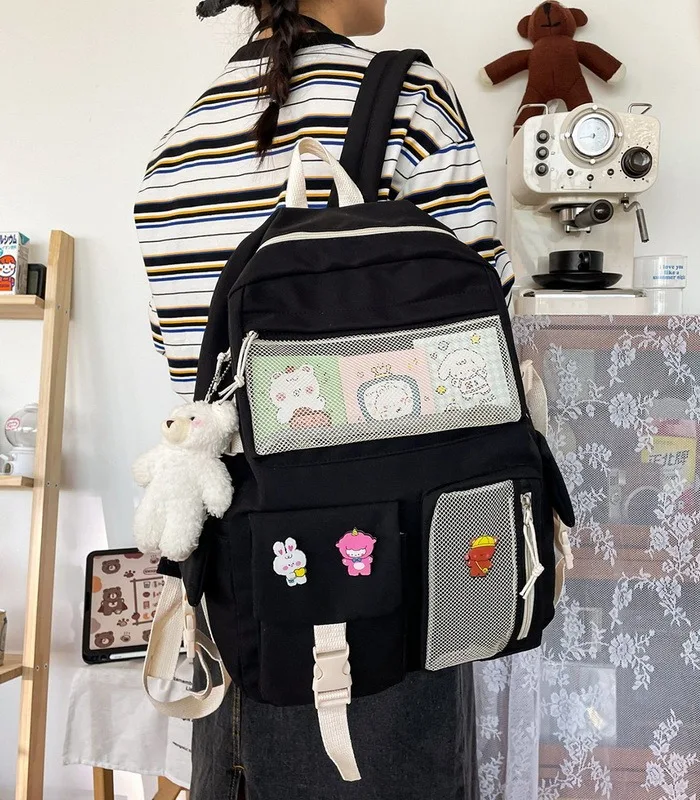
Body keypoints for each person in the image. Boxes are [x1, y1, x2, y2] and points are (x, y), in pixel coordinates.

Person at [134, 1, 513, 797]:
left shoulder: (173, 151)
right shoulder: (408, 105)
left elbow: (189, 392)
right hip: (385, 579)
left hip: (231, 596)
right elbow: (487, 345)